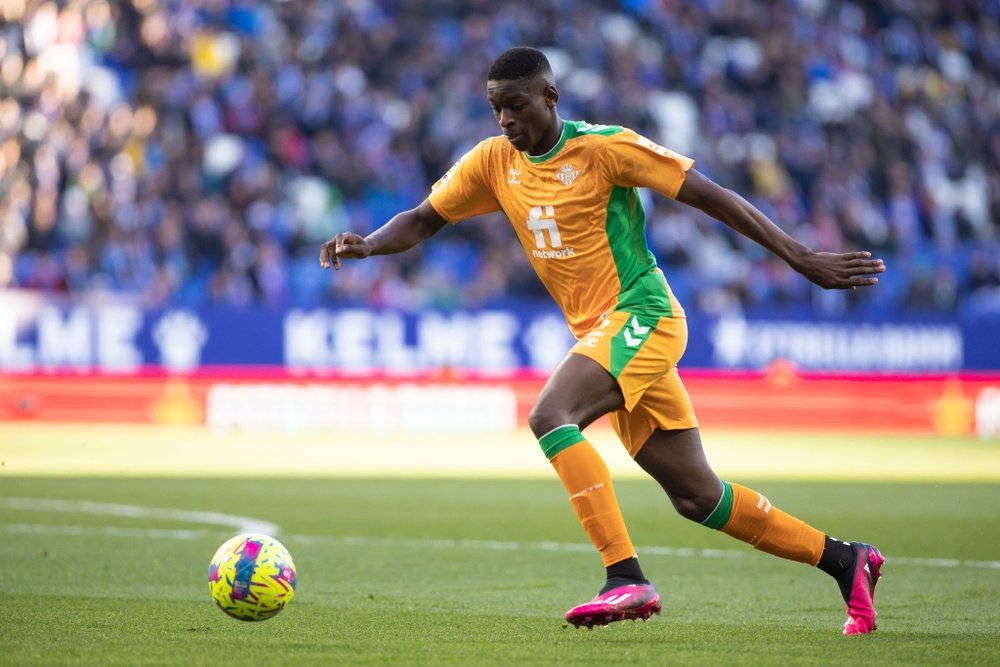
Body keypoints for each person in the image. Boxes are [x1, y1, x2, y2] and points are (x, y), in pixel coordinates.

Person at [320, 47, 887, 635]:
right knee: (699, 498)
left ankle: (625, 578)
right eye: (496, 109)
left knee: (551, 414)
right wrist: (368, 243)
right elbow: (421, 218)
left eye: (516, 106)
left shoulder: (603, 147)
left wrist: (800, 256)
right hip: (604, 334)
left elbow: (709, 195)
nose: (505, 120)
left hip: (643, 314)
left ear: (550, 97)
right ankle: (846, 560)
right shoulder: (493, 161)